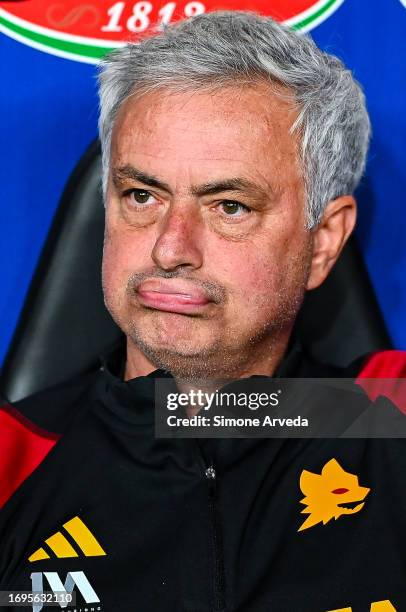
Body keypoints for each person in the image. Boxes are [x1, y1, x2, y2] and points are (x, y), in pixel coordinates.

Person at [0, 11, 405, 612]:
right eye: (142, 196)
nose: (170, 248)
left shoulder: (388, 411)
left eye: (230, 207)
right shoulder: (13, 455)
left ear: (323, 241)